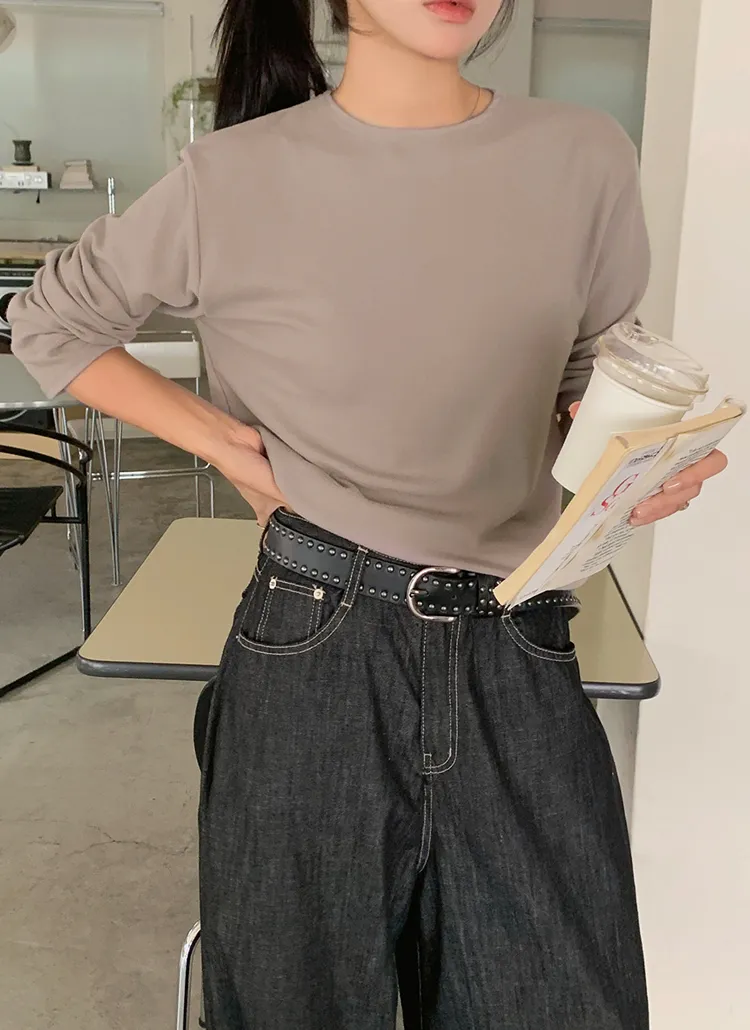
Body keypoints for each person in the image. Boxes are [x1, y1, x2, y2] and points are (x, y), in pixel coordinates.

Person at [10, 1, 727, 1027]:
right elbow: (50, 321)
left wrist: (625, 467)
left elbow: (584, 368)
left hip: (519, 642)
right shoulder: (233, 177)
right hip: (316, 649)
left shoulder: (584, 156)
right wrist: (221, 441)